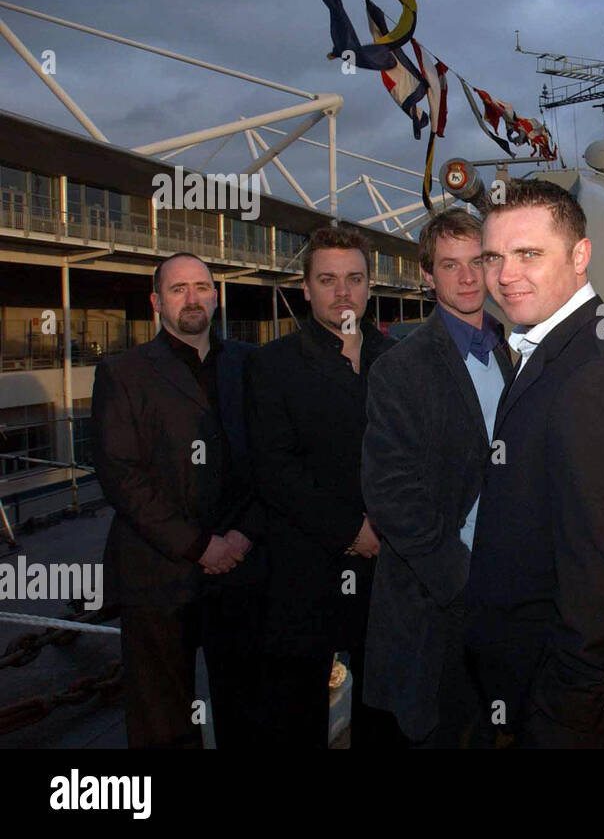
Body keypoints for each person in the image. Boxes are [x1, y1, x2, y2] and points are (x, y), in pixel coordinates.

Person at [464, 178, 604, 748]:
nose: (505, 275)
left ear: (580, 256)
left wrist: (568, 705)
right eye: (495, 257)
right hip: (534, 674)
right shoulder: (553, 346)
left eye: (529, 254)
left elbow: (603, 569)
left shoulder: (592, 372)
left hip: (565, 695)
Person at [91, 252, 265, 748]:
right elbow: (121, 476)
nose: (192, 299)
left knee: (248, 709)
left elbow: (269, 461)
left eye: (202, 287)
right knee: (162, 724)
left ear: (216, 296)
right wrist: (197, 545)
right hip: (157, 576)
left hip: (240, 569)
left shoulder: (250, 366)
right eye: (178, 289)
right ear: (156, 302)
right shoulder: (122, 373)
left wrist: (241, 534)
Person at [244, 224, 404, 748]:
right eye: (328, 279)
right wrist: (352, 530)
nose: (343, 292)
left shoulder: (401, 362)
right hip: (305, 571)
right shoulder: (272, 366)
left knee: (385, 713)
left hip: (389, 569)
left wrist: (387, 526)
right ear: (306, 288)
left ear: (369, 286)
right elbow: (275, 469)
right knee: (295, 719)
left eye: (354, 279)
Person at [361, 211, 513, 748]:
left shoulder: (509, 351)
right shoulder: (399, 370)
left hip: (504, 591)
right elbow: (391, 494)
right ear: (428, 276)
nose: (469, 278)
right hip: (440, 604)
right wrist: (462, 580)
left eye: (479, 262)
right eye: (451, 266)